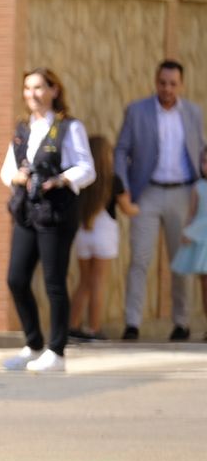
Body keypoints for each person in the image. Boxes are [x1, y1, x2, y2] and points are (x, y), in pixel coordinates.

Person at [1, 68, 96, 373]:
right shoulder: (23, 128)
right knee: (16, 278)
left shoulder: (69, 127)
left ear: (54, 90)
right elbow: (7, 170)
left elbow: (87, 168)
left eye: (39, 87)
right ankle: (33, 344)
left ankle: (57, 351)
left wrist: (60, 180)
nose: (33, 94)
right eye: (28, 88)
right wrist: (17, 177)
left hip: (56, 213)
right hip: (27, 211)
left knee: (54, 282)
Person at [115, 60, 205, 341]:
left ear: (181, 85)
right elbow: (121, 151)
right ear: (156, 82)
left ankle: (181, 323)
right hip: (147, 192)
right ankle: (132, 323)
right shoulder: (137, 110)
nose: (167, 89)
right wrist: (124, 188)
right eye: (162, 83)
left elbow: (201, 151)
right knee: (140, 258)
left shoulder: (192, 112)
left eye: (173, 84)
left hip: (183, 194)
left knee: (181, 262)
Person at [69, 135, 135, 341]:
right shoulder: (114, 180)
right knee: (98, 282)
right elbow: (127, 209)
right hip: (104, 234)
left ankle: (71, 327)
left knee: (84, 282)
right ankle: (94, 329)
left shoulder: (82, 180)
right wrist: (138, 207)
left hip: (83, 233)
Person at [169, 147, 207, 339]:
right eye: (204, 162)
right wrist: (186, 230)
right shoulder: (198, 187)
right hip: (201, 241)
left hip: (202, 234)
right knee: (204, 284)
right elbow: (192, 213)